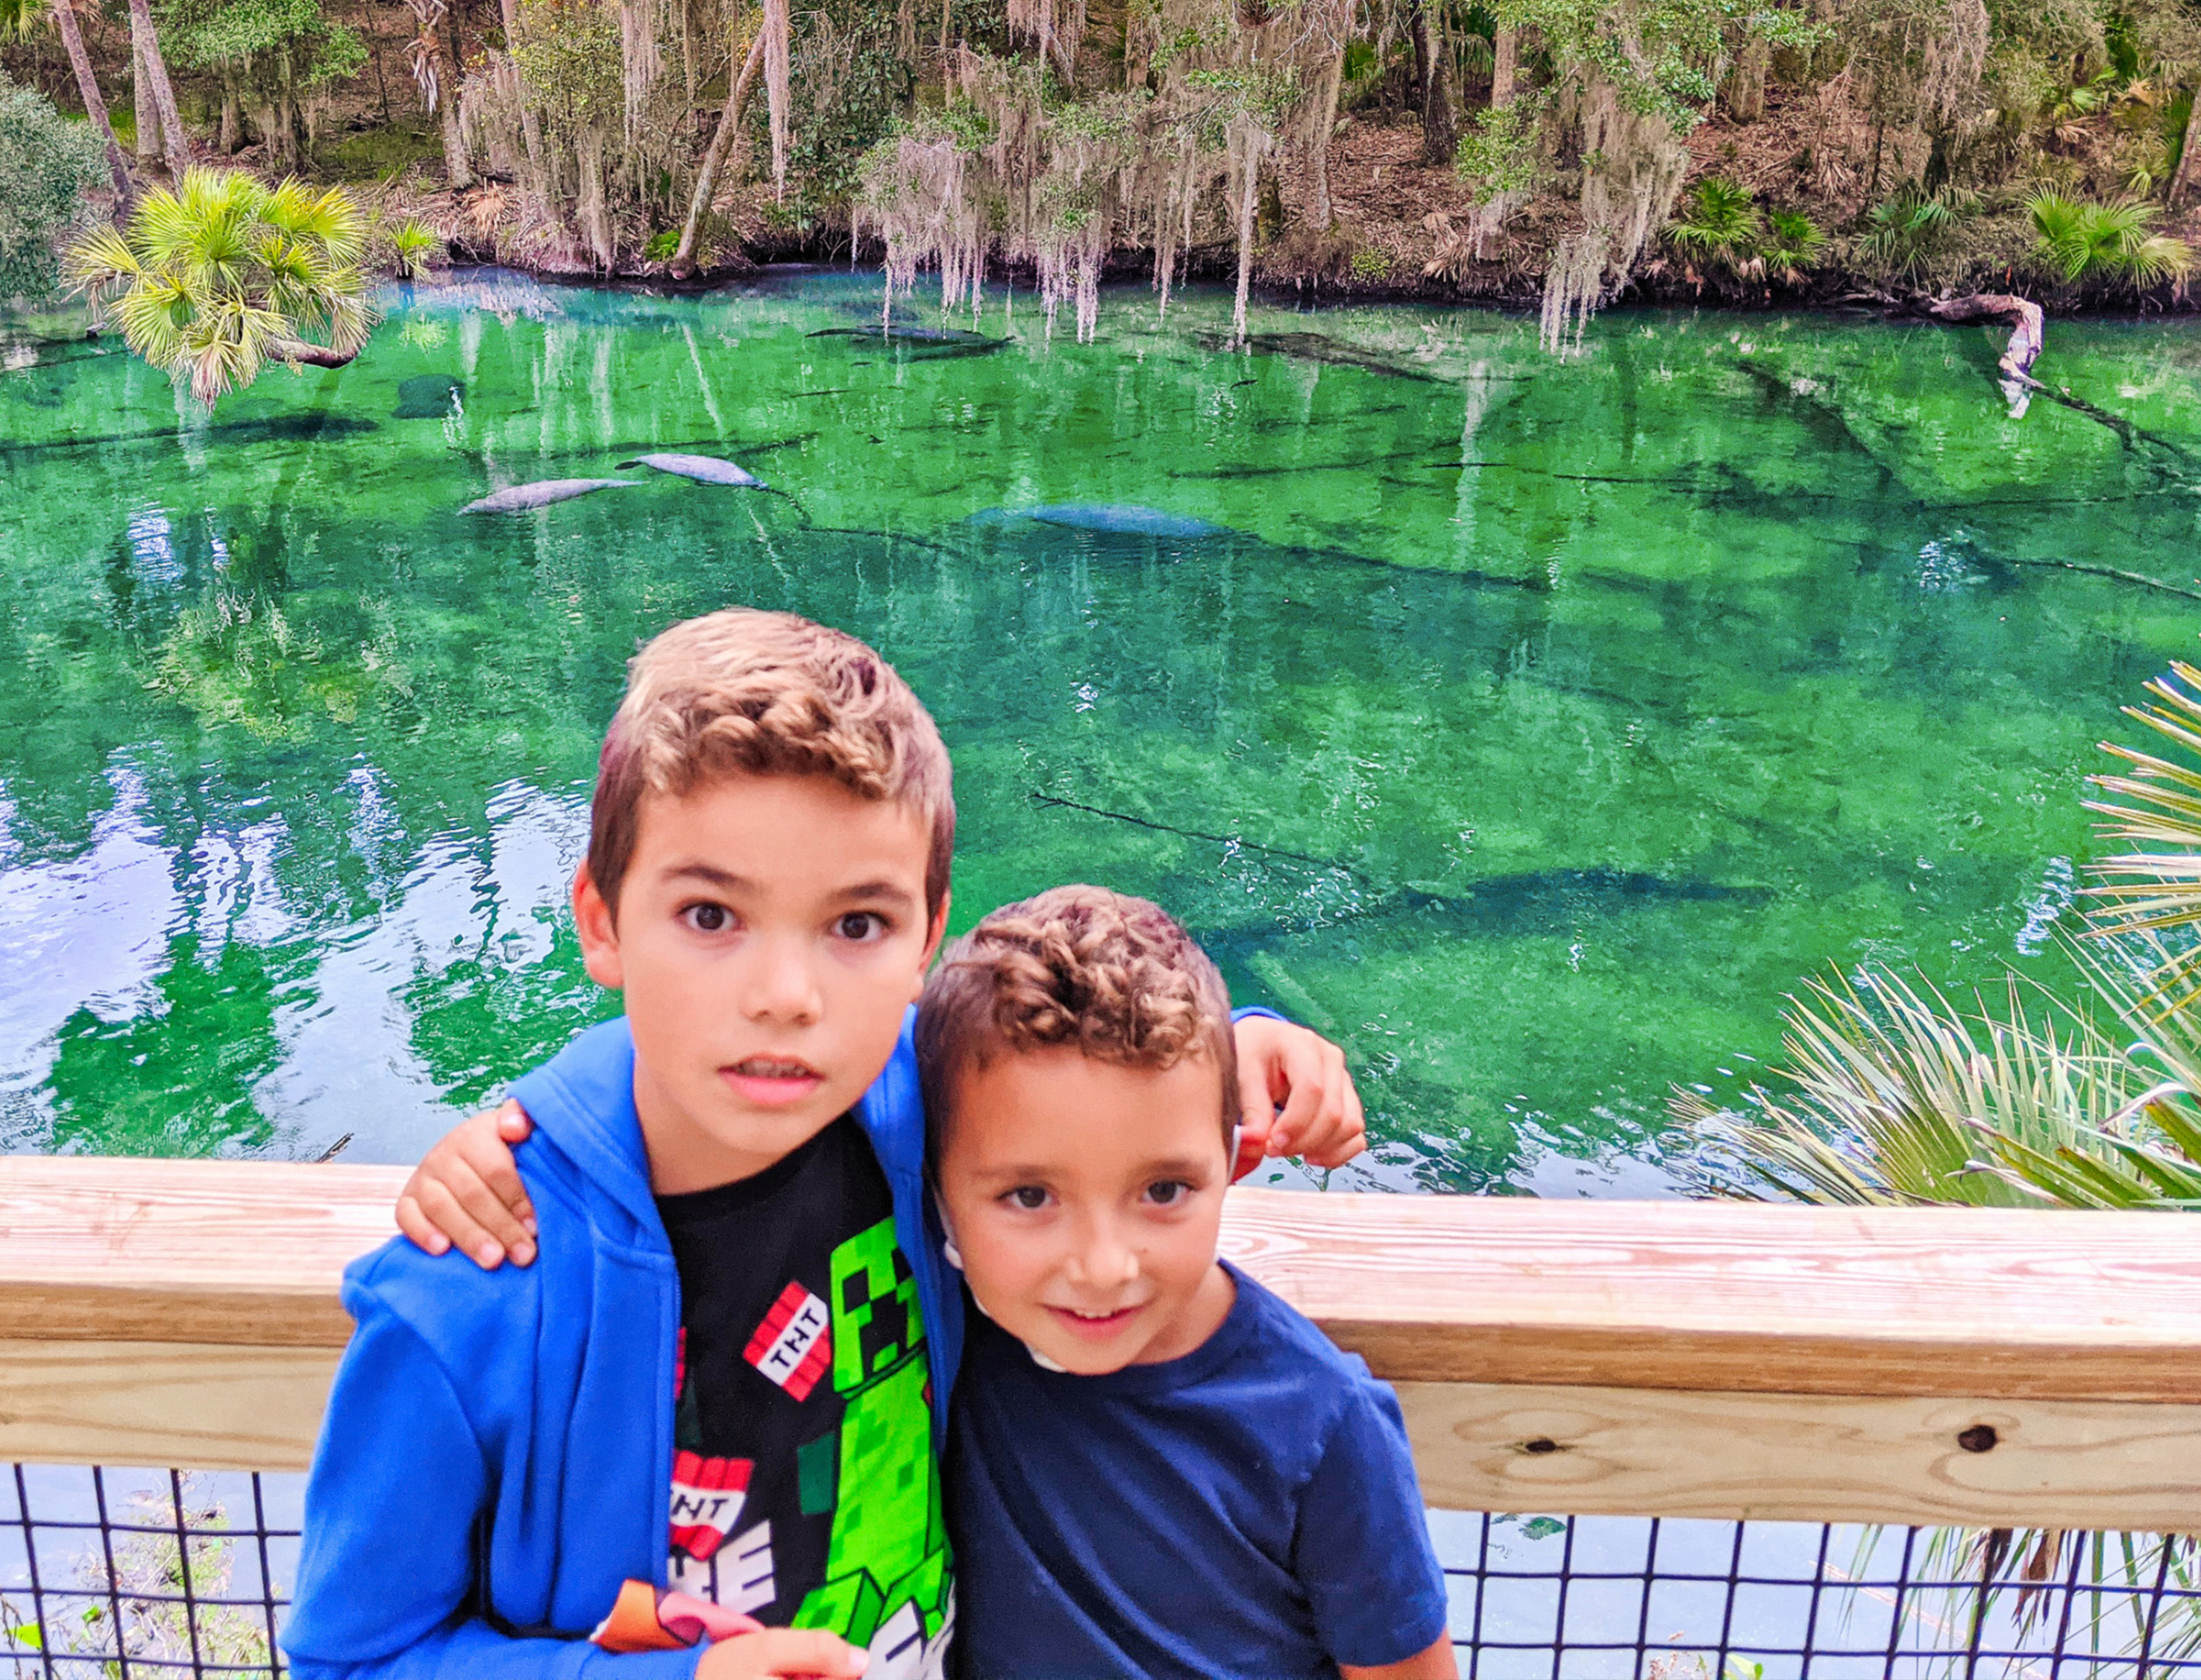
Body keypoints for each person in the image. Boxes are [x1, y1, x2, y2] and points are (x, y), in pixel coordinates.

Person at [285, 609, 1363, 1680]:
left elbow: (1068, 1053)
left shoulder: (918, 1101)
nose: (787, 999)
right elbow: (350, 1660)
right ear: (603, 920)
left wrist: (1243, 1050)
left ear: (927, 935)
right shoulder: (472, 1290)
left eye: (856, 926)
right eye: (712, 915)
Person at [919, 887, 1453, 1680]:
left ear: (1235, 1160)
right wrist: (1252, 1031)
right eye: (1030, 1197)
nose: (1103, 1266)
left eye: (1163, 1190)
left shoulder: (1322, 1422)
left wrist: (1249, 1034)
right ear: (934, 1192)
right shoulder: (953, 1321)